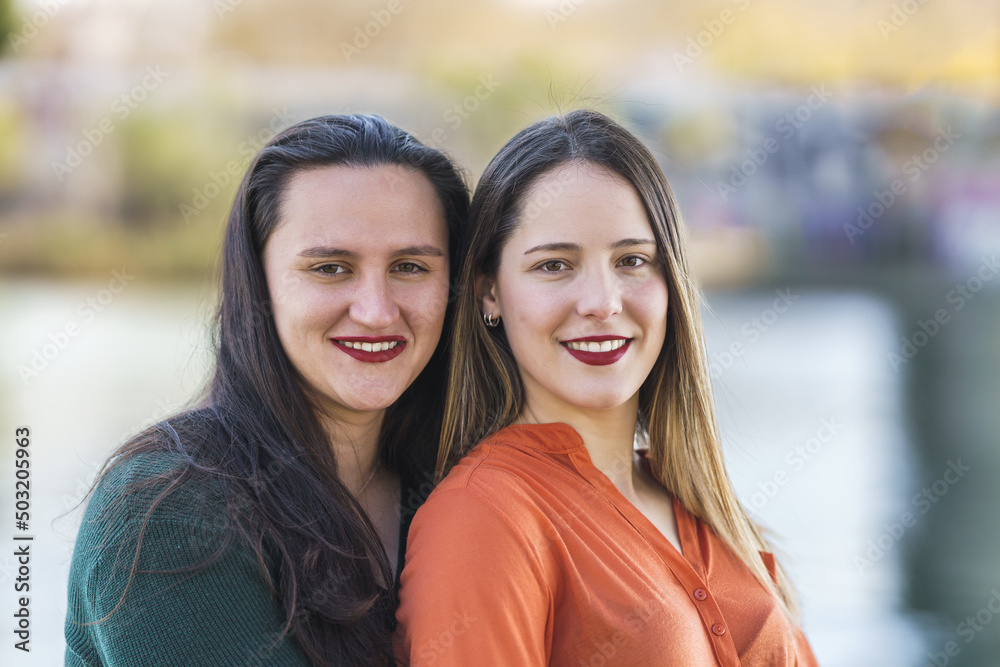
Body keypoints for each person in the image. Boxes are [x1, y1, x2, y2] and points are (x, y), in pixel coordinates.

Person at [395, 110, 819, 665]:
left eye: (632, 260)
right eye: (554, 265)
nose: (602, 301)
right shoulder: (483, 518)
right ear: (489, 293)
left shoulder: (697, 501)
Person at [64, 114, 468, 666]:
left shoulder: (458, 482)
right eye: (330, 268)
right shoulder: (169, 511)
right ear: (259, 283)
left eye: (410, 266)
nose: (376, 311)